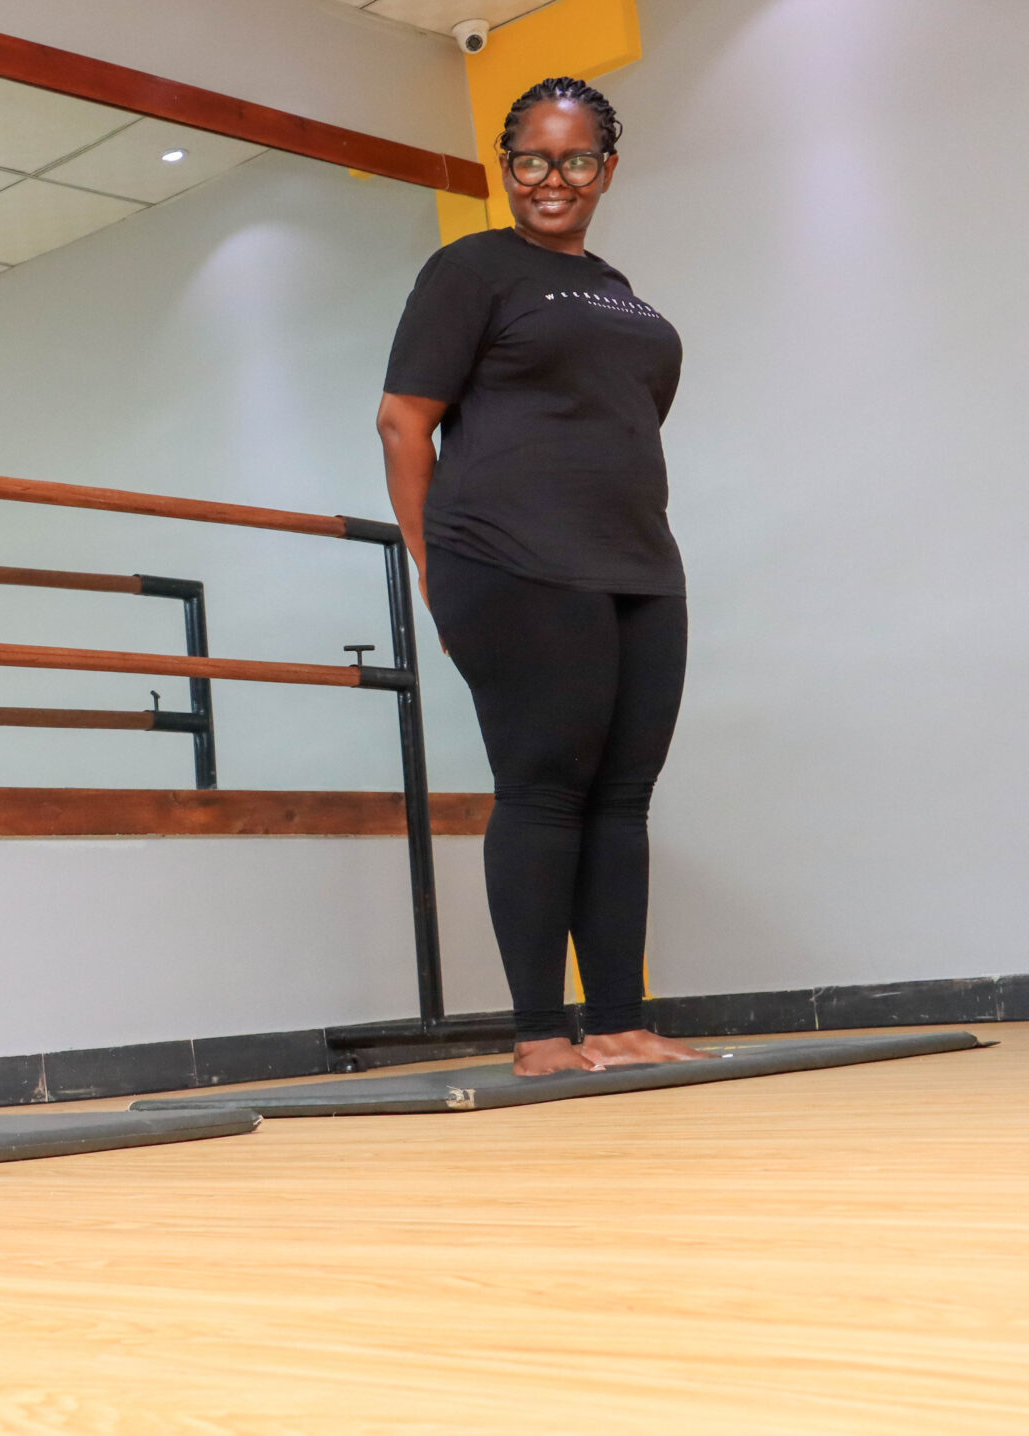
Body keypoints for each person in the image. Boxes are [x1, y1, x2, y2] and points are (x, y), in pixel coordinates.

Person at [377, 78, 706, 1077]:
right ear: (506, 165)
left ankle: (617, 1021)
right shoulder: (471, 267)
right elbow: (403, 420)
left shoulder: (614, 286)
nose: (549, 179)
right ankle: (537, 1035)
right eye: (530, 159)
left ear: (604, 169)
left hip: (637, 562)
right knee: (546, 788)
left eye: (572, 160)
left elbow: (621, 417)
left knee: (623, 796)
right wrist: (434, 565)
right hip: (511, 557)